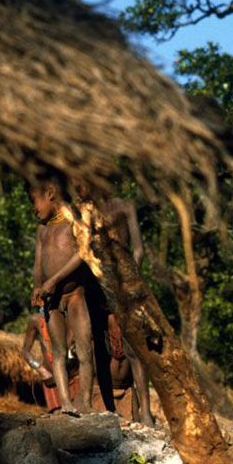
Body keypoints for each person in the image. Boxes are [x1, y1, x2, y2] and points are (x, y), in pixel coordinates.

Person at [72, 182, 155, 427]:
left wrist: (129, 279)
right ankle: (109, 409)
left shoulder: (124, 207)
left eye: (82, 182)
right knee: (101, 346)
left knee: (135, 349)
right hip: (96, 285)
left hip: (123, 283)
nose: (78, 187)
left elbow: (137, 249)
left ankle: (145, 411)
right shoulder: (81, 213)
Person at [28, 175, 96, 414]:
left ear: (49, 193)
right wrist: (38, 287)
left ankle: (86, 403)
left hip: (75, 295)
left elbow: (83, 253)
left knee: (85, 349)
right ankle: (66, 403)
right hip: (51, 301)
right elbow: (38, 265)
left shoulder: (73, 220)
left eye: (34, 201)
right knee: (57, 352)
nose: (33, 209)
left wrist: (54, 280)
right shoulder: (42, 231)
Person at [21, 300, 79, 412]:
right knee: (59, 417)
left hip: (74, 374)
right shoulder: (36, 320)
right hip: (52, 378)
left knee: (81, 412)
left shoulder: (70, 316)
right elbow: (25, 352)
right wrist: (41, 370)